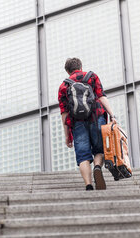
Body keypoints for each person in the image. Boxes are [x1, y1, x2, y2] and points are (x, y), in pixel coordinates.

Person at [58, 58, 117, 191]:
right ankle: (97, 166)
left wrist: (67, 136)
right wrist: (112, 115)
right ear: (80, 66)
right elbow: (101, 96)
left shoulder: (64, 86)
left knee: (83, 155)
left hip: (77, 123)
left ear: (67, 71)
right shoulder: (92, 76)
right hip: (96, 117)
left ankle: (88, 185)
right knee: (100, 149)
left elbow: (64, 114)